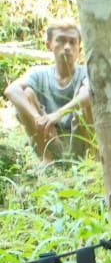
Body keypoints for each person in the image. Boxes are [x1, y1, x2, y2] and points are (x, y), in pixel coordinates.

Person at [4, 22, 93, 162]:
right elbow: (11, 90)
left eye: (72, 42)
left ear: (78, 48)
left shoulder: (86, 72)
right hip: (48, 138)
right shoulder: (39, 73)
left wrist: (57, 114)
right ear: (49, 44)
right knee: (27, 93)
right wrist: (39, 119)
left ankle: (91, 160)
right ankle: (48, 161)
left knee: (89, 102)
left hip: (81, 144)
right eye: (61, 40)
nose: (67, 47)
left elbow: (88, 94)